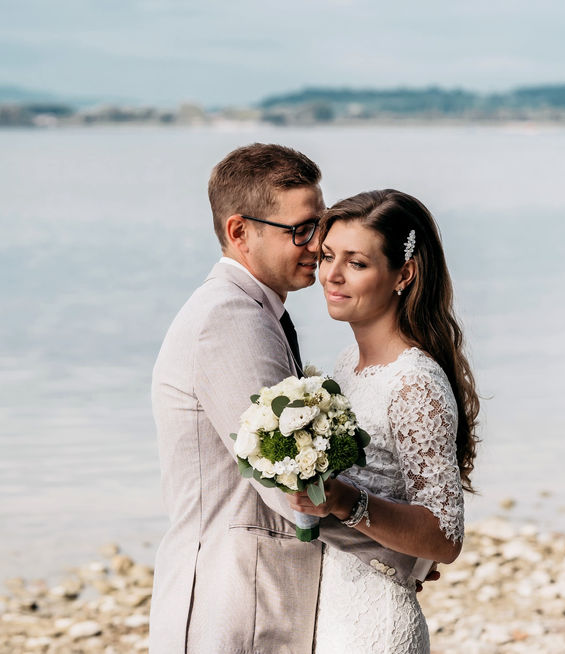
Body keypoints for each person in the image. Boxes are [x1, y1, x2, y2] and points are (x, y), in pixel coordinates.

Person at [150, 145, 426, 654]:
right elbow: (293, 488)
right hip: (235, 604)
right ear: (240, 231)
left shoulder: (254, 310)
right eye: (300, 229)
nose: (317, 244)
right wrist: (406, 552)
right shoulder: (230, 319)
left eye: (319, 224)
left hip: (255, 597)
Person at [288, 189, 480, 653]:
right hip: (328, 608)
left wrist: (344, 500)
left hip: (374, 624)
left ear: (404, 274)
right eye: (328, 256)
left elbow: (444, 536)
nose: (331, 275)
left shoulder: (414, 383)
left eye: (356, 263)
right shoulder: (345, 363)